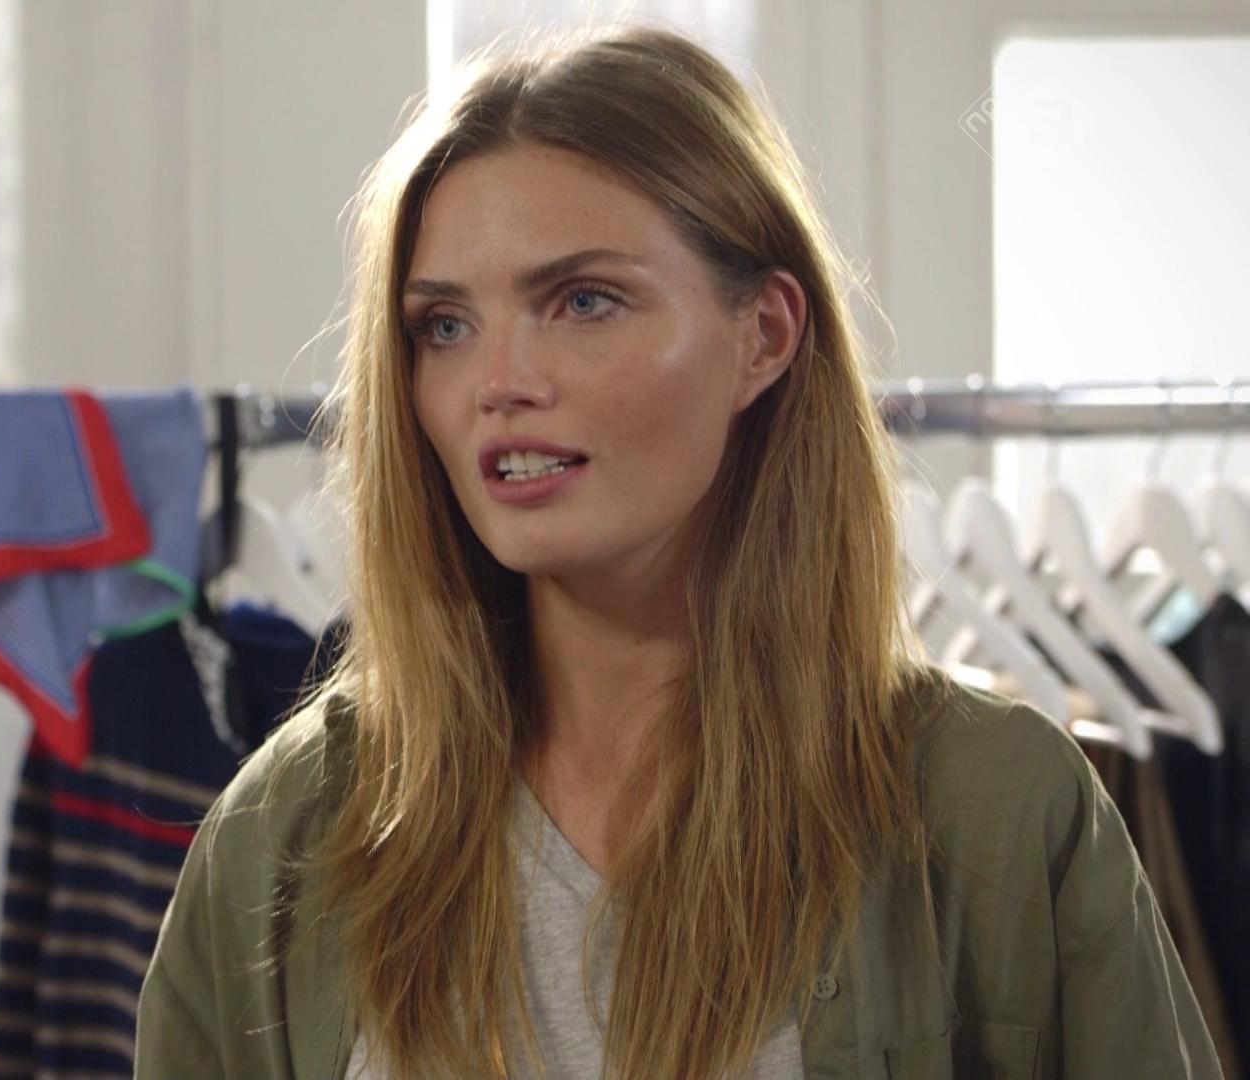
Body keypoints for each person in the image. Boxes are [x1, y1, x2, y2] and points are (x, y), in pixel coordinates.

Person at [134, 24, 1224, 1080]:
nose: (498, 383)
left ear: (765, 336)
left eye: (583, 301)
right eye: (445, 327)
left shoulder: (997, 813)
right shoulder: (287, 835)